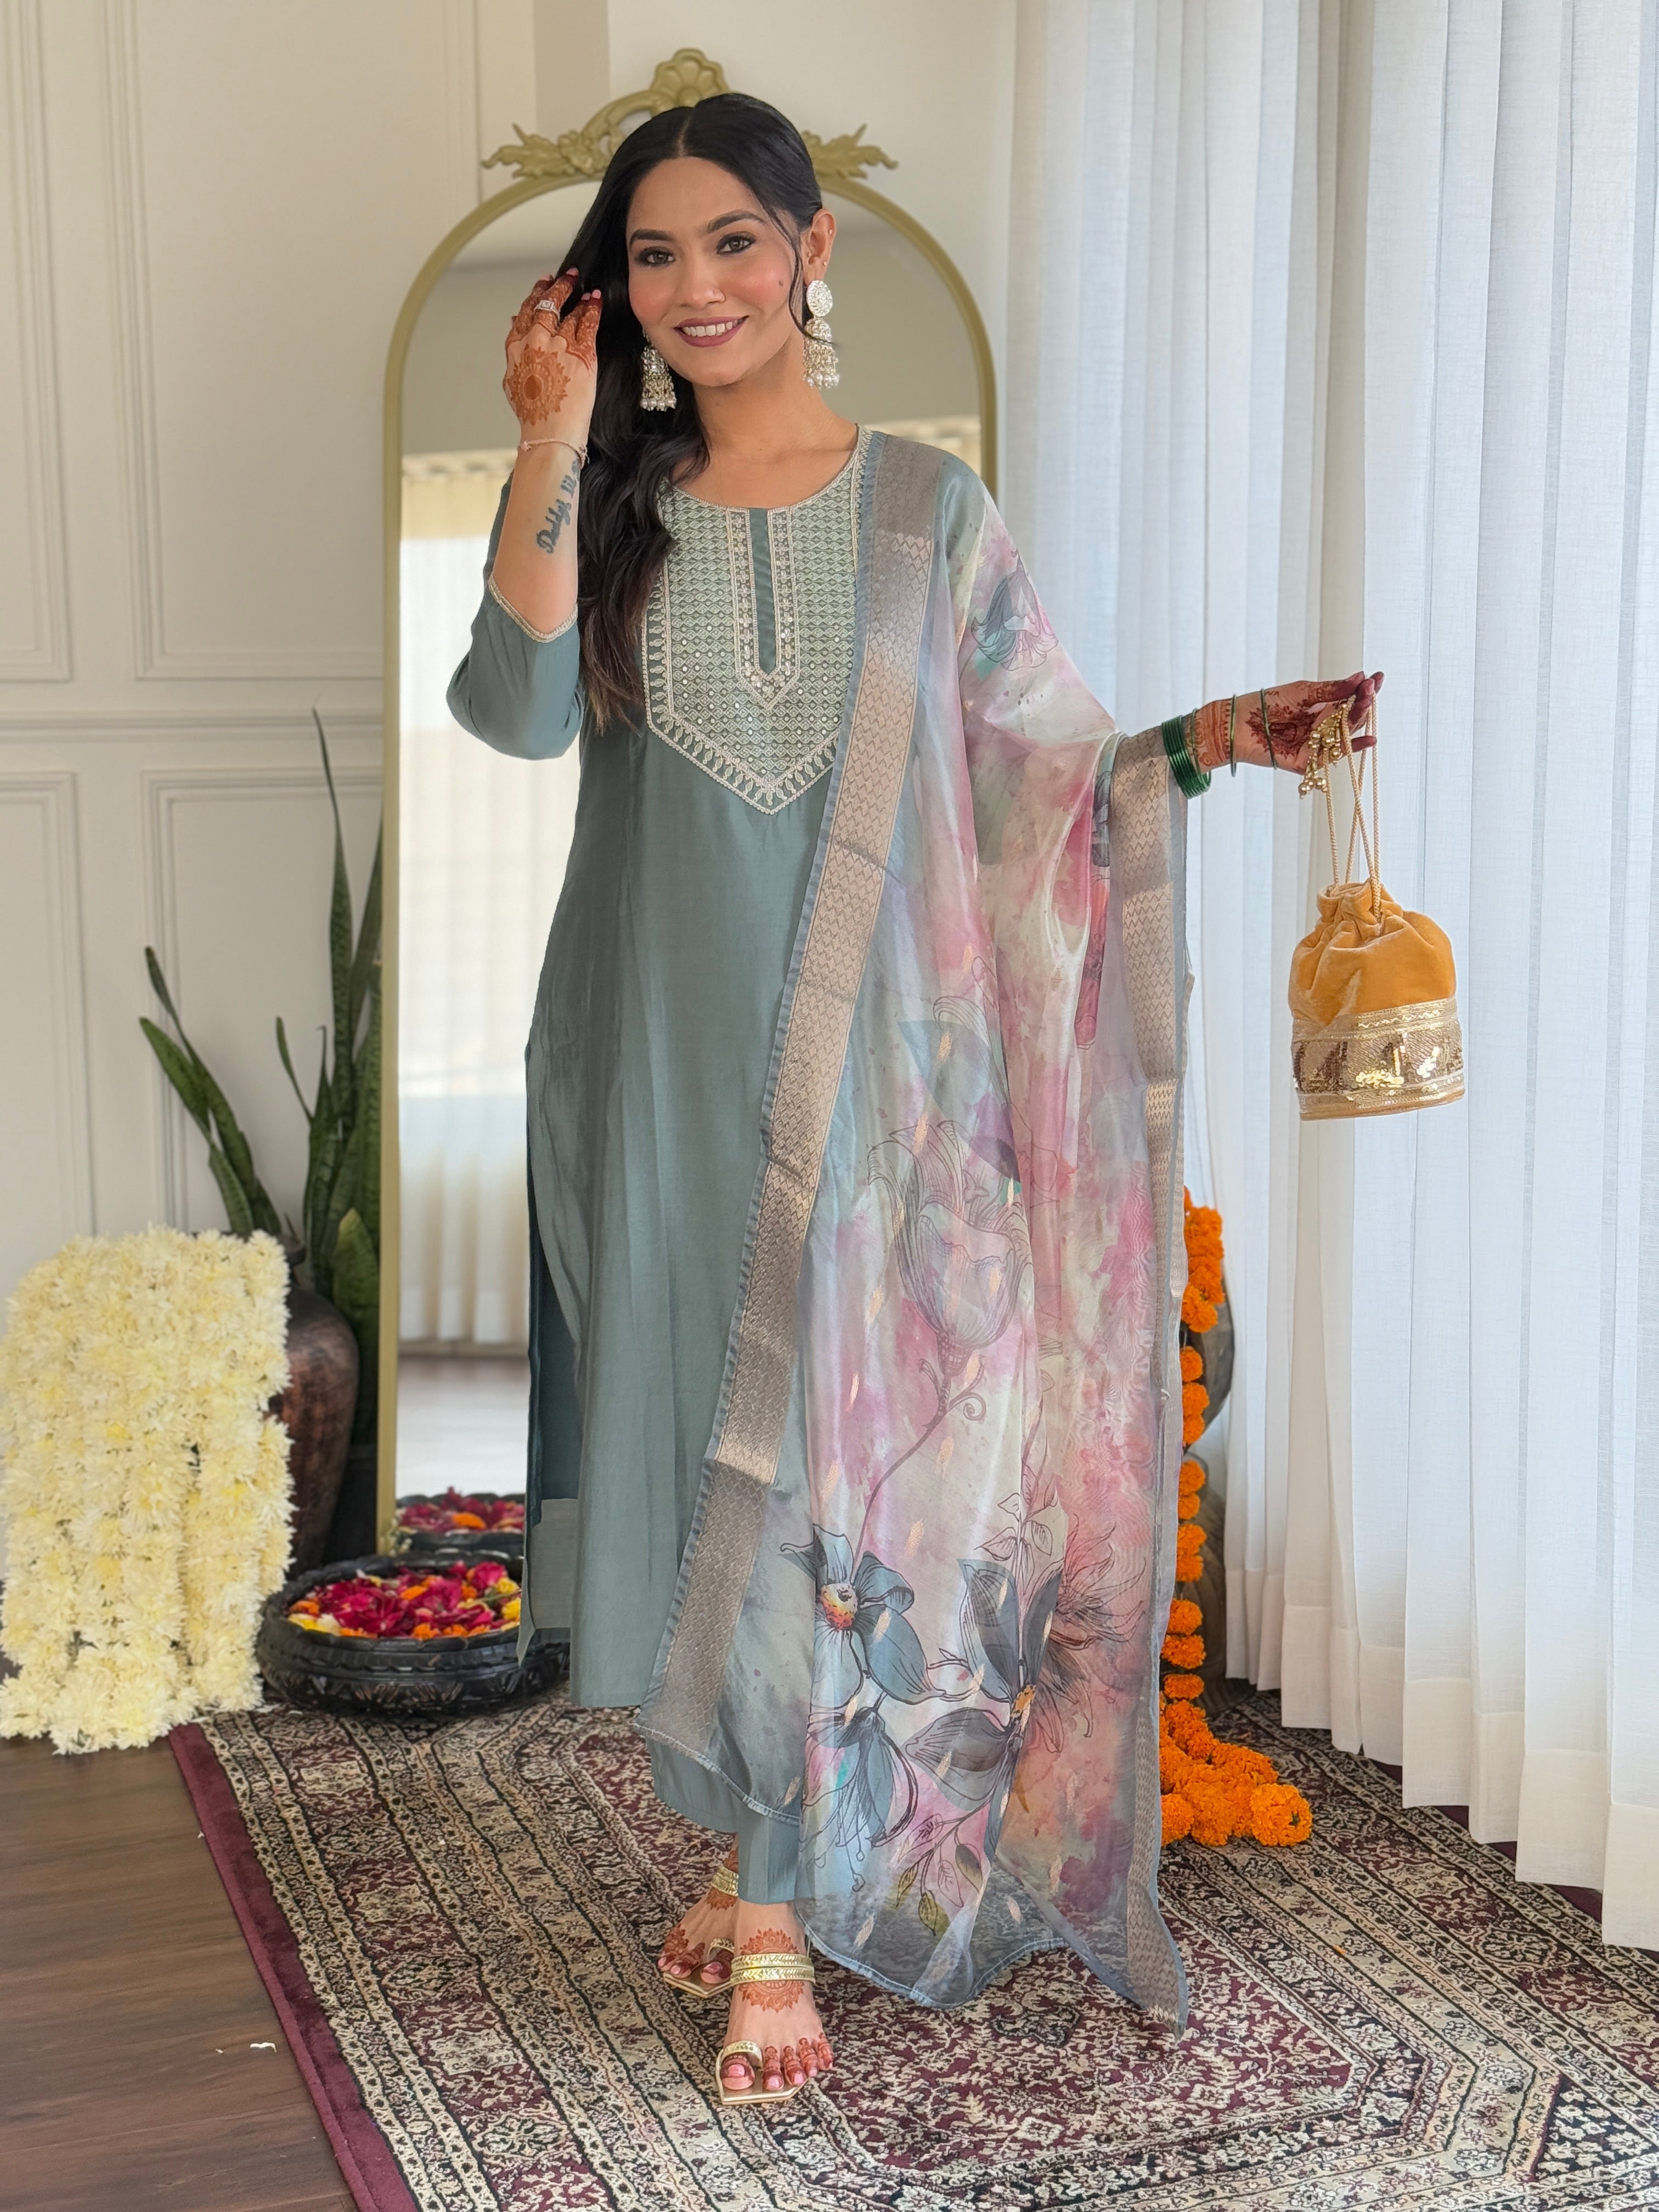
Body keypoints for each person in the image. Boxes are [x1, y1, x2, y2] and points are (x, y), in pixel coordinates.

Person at [448, 91, 1379, 2109]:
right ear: (609, 295)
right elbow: (514, 715)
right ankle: (762, 1848)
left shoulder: (921, 512)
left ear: (810, 254)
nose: (696, 290)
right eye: (654, 258)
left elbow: (1036, 771)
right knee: (713, 1431)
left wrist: (1205, 743)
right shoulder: (608, 504)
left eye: (731, 244)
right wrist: (543, 433)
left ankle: (771, 1879)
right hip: (651, 1048)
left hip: (882, 1065)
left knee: (846, 1454)